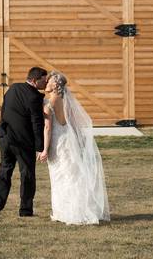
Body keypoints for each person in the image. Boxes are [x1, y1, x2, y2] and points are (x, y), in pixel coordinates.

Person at [42, 71, 110, 225]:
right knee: (73, 174)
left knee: (60, 175)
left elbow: (47, 129)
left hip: (57, 143)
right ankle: (78, 209)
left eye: (49, 81)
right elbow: (72, 123)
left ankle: (66, 212)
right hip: (69, 141)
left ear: (55, 85)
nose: (46, 83)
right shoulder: (66, 100)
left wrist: (45, 149)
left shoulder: (48, 104)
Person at [0, 66, 47, 219]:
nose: (46, 84)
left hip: (6, 138)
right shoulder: (34, 97)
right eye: (43, 81)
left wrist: (2, 132)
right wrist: (40, 147)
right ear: (34, 81)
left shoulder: (13, 88)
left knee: (4, 171)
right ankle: (25, 210)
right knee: (27, 174)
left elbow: (4, 109)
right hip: (23, 142)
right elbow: (37, 123)